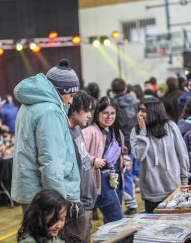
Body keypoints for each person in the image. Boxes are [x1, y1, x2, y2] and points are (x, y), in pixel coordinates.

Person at [11, 59, 81, 216]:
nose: (71, 100)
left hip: (32, 192)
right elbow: (52, 164)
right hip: (45, 197)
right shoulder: (50, 111)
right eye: (71, 94)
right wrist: (59, 203)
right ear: (61, 91)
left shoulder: (30, 103)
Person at [130, 98, 190, 213]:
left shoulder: (171, 127)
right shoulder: (136, 132)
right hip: (151, 191)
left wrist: (184, 181)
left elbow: (182, 154)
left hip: (174, 188)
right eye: (139, 110)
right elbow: (139, 156)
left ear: (154, 111)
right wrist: (143, 132)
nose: (140, 114)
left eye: (143, 110)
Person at [82, 96, 131, 223]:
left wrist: (126, 159)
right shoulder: (88, 132)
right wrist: (93, 160)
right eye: (105, 113)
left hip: (117, 178)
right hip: (100, 180)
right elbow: (77, 154)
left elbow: (123, 151)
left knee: (111, 222)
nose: (109, 117)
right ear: (97, 113)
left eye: (112, 113)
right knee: (117, 219)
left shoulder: (116, 131)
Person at [66, 91, 97, 242]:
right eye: (87, 110)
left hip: (87, 198)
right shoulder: (64, 133)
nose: (90, 115)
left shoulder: (77, 128)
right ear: (75, 108)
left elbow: (83, 159)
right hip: (77, 202)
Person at [110, 78, 138, 215]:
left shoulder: (113, 105)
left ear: (113, 90)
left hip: (121, 144)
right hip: (136, 141)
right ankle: (132, 203)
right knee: (132, 173)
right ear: (125, 88)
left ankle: (131, 204)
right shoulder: (135, 101)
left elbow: (115, 126)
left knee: (124, 174)